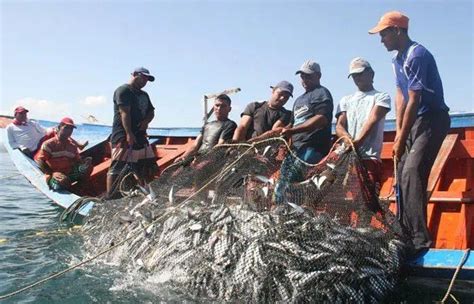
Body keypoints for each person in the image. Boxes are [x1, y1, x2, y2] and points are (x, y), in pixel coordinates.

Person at [369, 11, 450, 256]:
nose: (381, 39)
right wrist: (399, 133)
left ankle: (419, 241)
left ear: (398, 31)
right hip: (414, 121)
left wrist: (402, 138)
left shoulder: (417, 55)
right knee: (402, 171)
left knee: (413, 171)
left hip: (432, 119)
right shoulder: (397, 60)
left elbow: (415, 99)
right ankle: (403, 233)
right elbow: (401, 97)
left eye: (384, 34)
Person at [274, 60, 334, 203]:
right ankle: (280, 213)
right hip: (295, 150)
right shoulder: (299, 100)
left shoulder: (322, 93)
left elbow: (321, 119)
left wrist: (293, 131)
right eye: (302, 76)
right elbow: (293, 123)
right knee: (280, 184)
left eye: (308, 76)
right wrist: (284, 133)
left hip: (312, 148)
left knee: (290, 182)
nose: (304, 79)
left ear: (318, 76)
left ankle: (291, 213)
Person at [335, 57, 391, 194]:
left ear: (371, 74)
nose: (357, 78)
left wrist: (357, 143)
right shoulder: (345, 100)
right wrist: (346, 138)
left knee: (368, 198)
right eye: (354, 75)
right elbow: (339, 125)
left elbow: (372, 120)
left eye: (360, 74)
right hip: (346, 157)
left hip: (368, 158)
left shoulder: (381, 97)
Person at [107, 67, 159, 197]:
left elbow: (151, 111)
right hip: (123, 135)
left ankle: (147, 193)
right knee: (118, 168)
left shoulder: (144, 95)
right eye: (143, 77)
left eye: (147, 79)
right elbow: (125, 113)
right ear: (135, 75)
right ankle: (111, 198)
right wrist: (129, 133)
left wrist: (146, 122)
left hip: (140, 135)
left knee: (150, 166)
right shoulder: (123, 90)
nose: (145, 81)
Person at [35, 118, 92, 191]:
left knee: (88, 167)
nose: (69, 131)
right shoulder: (49, 144)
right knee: (63, 181)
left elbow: (77, 160)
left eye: (71, 129)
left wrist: (85, 162)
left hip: (68, 173)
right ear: (59, 128)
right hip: (54, 175)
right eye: (66, 128)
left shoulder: (72, 146)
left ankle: (81, 189)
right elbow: (40, 160)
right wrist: (52, 173)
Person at [175, 94, 236, 162]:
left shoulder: (230, 125)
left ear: (229, 109)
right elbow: (195, 145)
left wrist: (202, 161)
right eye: (217, 105)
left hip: (212, 162)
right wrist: (183, 157)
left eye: (223, 106)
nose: (219, 108)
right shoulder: (207, 125)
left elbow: (219, 146)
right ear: (213, 107)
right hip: (197, 158)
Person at [6, 106, 87, 158]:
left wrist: (53, 129)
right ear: (15, 115)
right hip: (31, 150)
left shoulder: (31, 123)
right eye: (21, 114)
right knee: (57, 131)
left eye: (25, 113)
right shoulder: (10, 127)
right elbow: (11, 143)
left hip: (41, 142)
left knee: (58, 131)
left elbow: (43, 131)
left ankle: (77, 147)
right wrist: (21, 147)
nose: (24, 115)